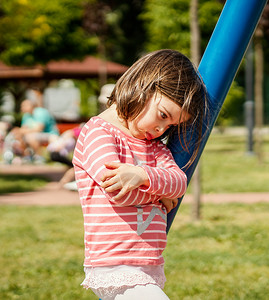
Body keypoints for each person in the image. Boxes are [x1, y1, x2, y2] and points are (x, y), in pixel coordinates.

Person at [73, 49, 207, 300]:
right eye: (163, 115)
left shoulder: (154, 147)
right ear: (143, 85)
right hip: (114, 264)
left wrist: (142, 176)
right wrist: (158, 194)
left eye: (170, 126)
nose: (160, 129)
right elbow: (118, 193)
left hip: (147, 263)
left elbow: (179, 183)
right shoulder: (98, 133)